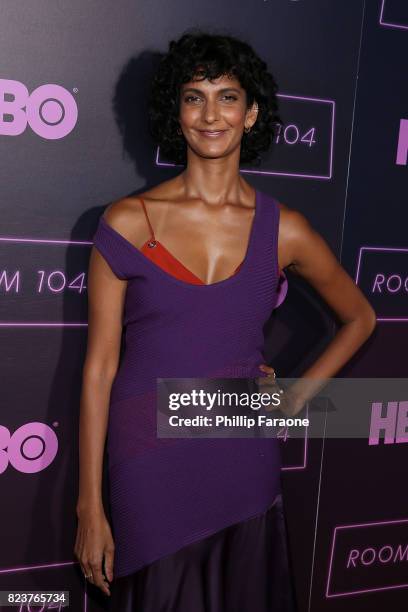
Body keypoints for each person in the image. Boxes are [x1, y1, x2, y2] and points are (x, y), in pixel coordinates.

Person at [74, 30, 376, 611]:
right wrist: (90, 504)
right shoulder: (127, 223)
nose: (211, 114)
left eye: (228, 96)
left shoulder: (283, 228)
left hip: (240, 449)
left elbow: (360, 317)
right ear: (177, 111)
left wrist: (290, 399)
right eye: (194, 96)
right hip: (147, 459)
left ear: (252, 112)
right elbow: (99, 367)